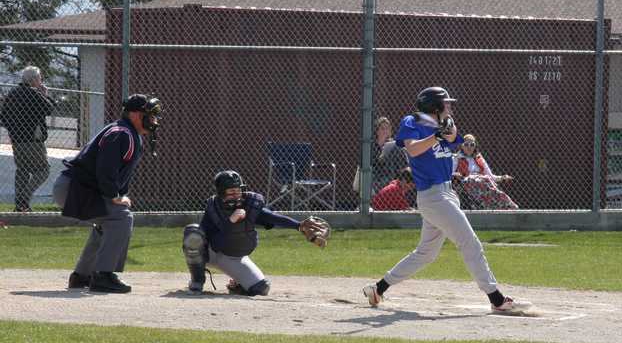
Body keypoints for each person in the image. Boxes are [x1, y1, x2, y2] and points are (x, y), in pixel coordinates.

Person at [362, 86, 531, 314]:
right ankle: (497, 299)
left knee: (426, 253)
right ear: (434, 107)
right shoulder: (411, 122)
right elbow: (412, 150)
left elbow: (452, 137)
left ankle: (378, 289)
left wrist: (444, 128)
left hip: (447, 193)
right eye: (446, 104)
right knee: (470, 243)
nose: (450, 107)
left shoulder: (443, 124)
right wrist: (436, 135)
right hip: (433, 196)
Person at [52, 94, 161, 293]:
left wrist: (118, 196)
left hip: (79, 188)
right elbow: (105, 169)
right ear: (135, 115)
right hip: (74, 188)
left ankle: (82, 276)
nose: (153, 120)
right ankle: (103, 276)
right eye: (149, 115)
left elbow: (118, 175)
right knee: (121, 218)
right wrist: (114, 196)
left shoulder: (128, 132)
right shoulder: (121, 133)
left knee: (111, 220)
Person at [182, 170, 330, 296]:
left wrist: (298, 226)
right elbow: (214, 242)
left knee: (260, 289)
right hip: (211, 253)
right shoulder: (214, 208)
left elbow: (272, 217)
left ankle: (237, 286)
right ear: (221, 193)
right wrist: (231, 222)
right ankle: (197, 281)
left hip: (234, 258)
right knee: (193, 233)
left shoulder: (249, 205)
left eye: (238, 191)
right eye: (231, 192)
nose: (236, 195)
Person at [0, 66, 57, 212]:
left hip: (16, 140)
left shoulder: (12, 93)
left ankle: (20, 206)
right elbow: (50, 108)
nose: (41, 81)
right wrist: (45, 94)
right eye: (40, 78)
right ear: (34, 80)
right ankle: (24, 198)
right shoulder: (33, 93)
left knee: (22, 170)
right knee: (43, 170)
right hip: (33, 140)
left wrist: (13, 130)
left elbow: (3, 117)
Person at [452, 133, 518, 210]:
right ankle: (495, 207)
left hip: (483, 183)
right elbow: (450, 173)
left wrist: (502, 177)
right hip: (466, 183)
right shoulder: (457, 158)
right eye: (466, 144)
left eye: (472, 145)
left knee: (488, 183)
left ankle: (509, 206)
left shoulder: (479, 158)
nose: (469, 147)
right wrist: (456, 174)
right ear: (462, 146)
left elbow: (491, 176)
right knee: (479, 180)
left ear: (475, 146)